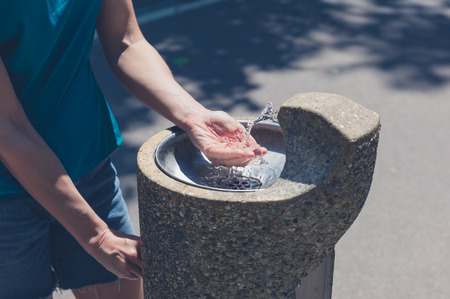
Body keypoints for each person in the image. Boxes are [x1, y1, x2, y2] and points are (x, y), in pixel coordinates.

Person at [0, 0, 267, 298]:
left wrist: (192, 115)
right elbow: (8, 129)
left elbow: (126, 41)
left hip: (88, 164)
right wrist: (96, 236)